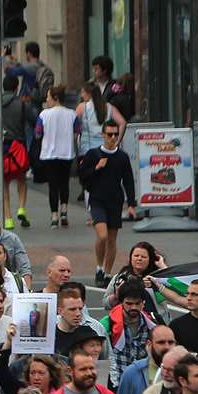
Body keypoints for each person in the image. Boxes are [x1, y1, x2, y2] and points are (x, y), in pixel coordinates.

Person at [78, 118, 138, 287]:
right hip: (97, 200)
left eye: (116, 134)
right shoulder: (93, 154)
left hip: (115, 201)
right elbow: (82, 175)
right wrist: (96, 167)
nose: (113, 137)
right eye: (109, 134)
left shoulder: (122, 157)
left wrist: (131, 204)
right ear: (103, 134)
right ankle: (98, 267)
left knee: (112, 239)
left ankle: (107, 272)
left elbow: (128, 181)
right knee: (102, 236)